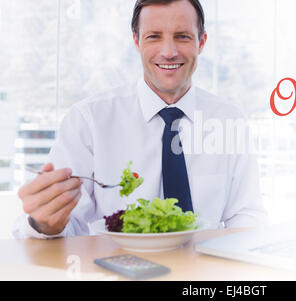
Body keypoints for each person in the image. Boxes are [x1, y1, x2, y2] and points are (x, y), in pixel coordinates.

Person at [12, 0, 267, 239]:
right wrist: (44, 224)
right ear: (136, 41)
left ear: (201, 43)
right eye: (153, 36)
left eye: (183, 36)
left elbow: (245, 215)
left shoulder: (229, 120)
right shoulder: (88, 121)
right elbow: (67, 229)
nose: (169, 52)